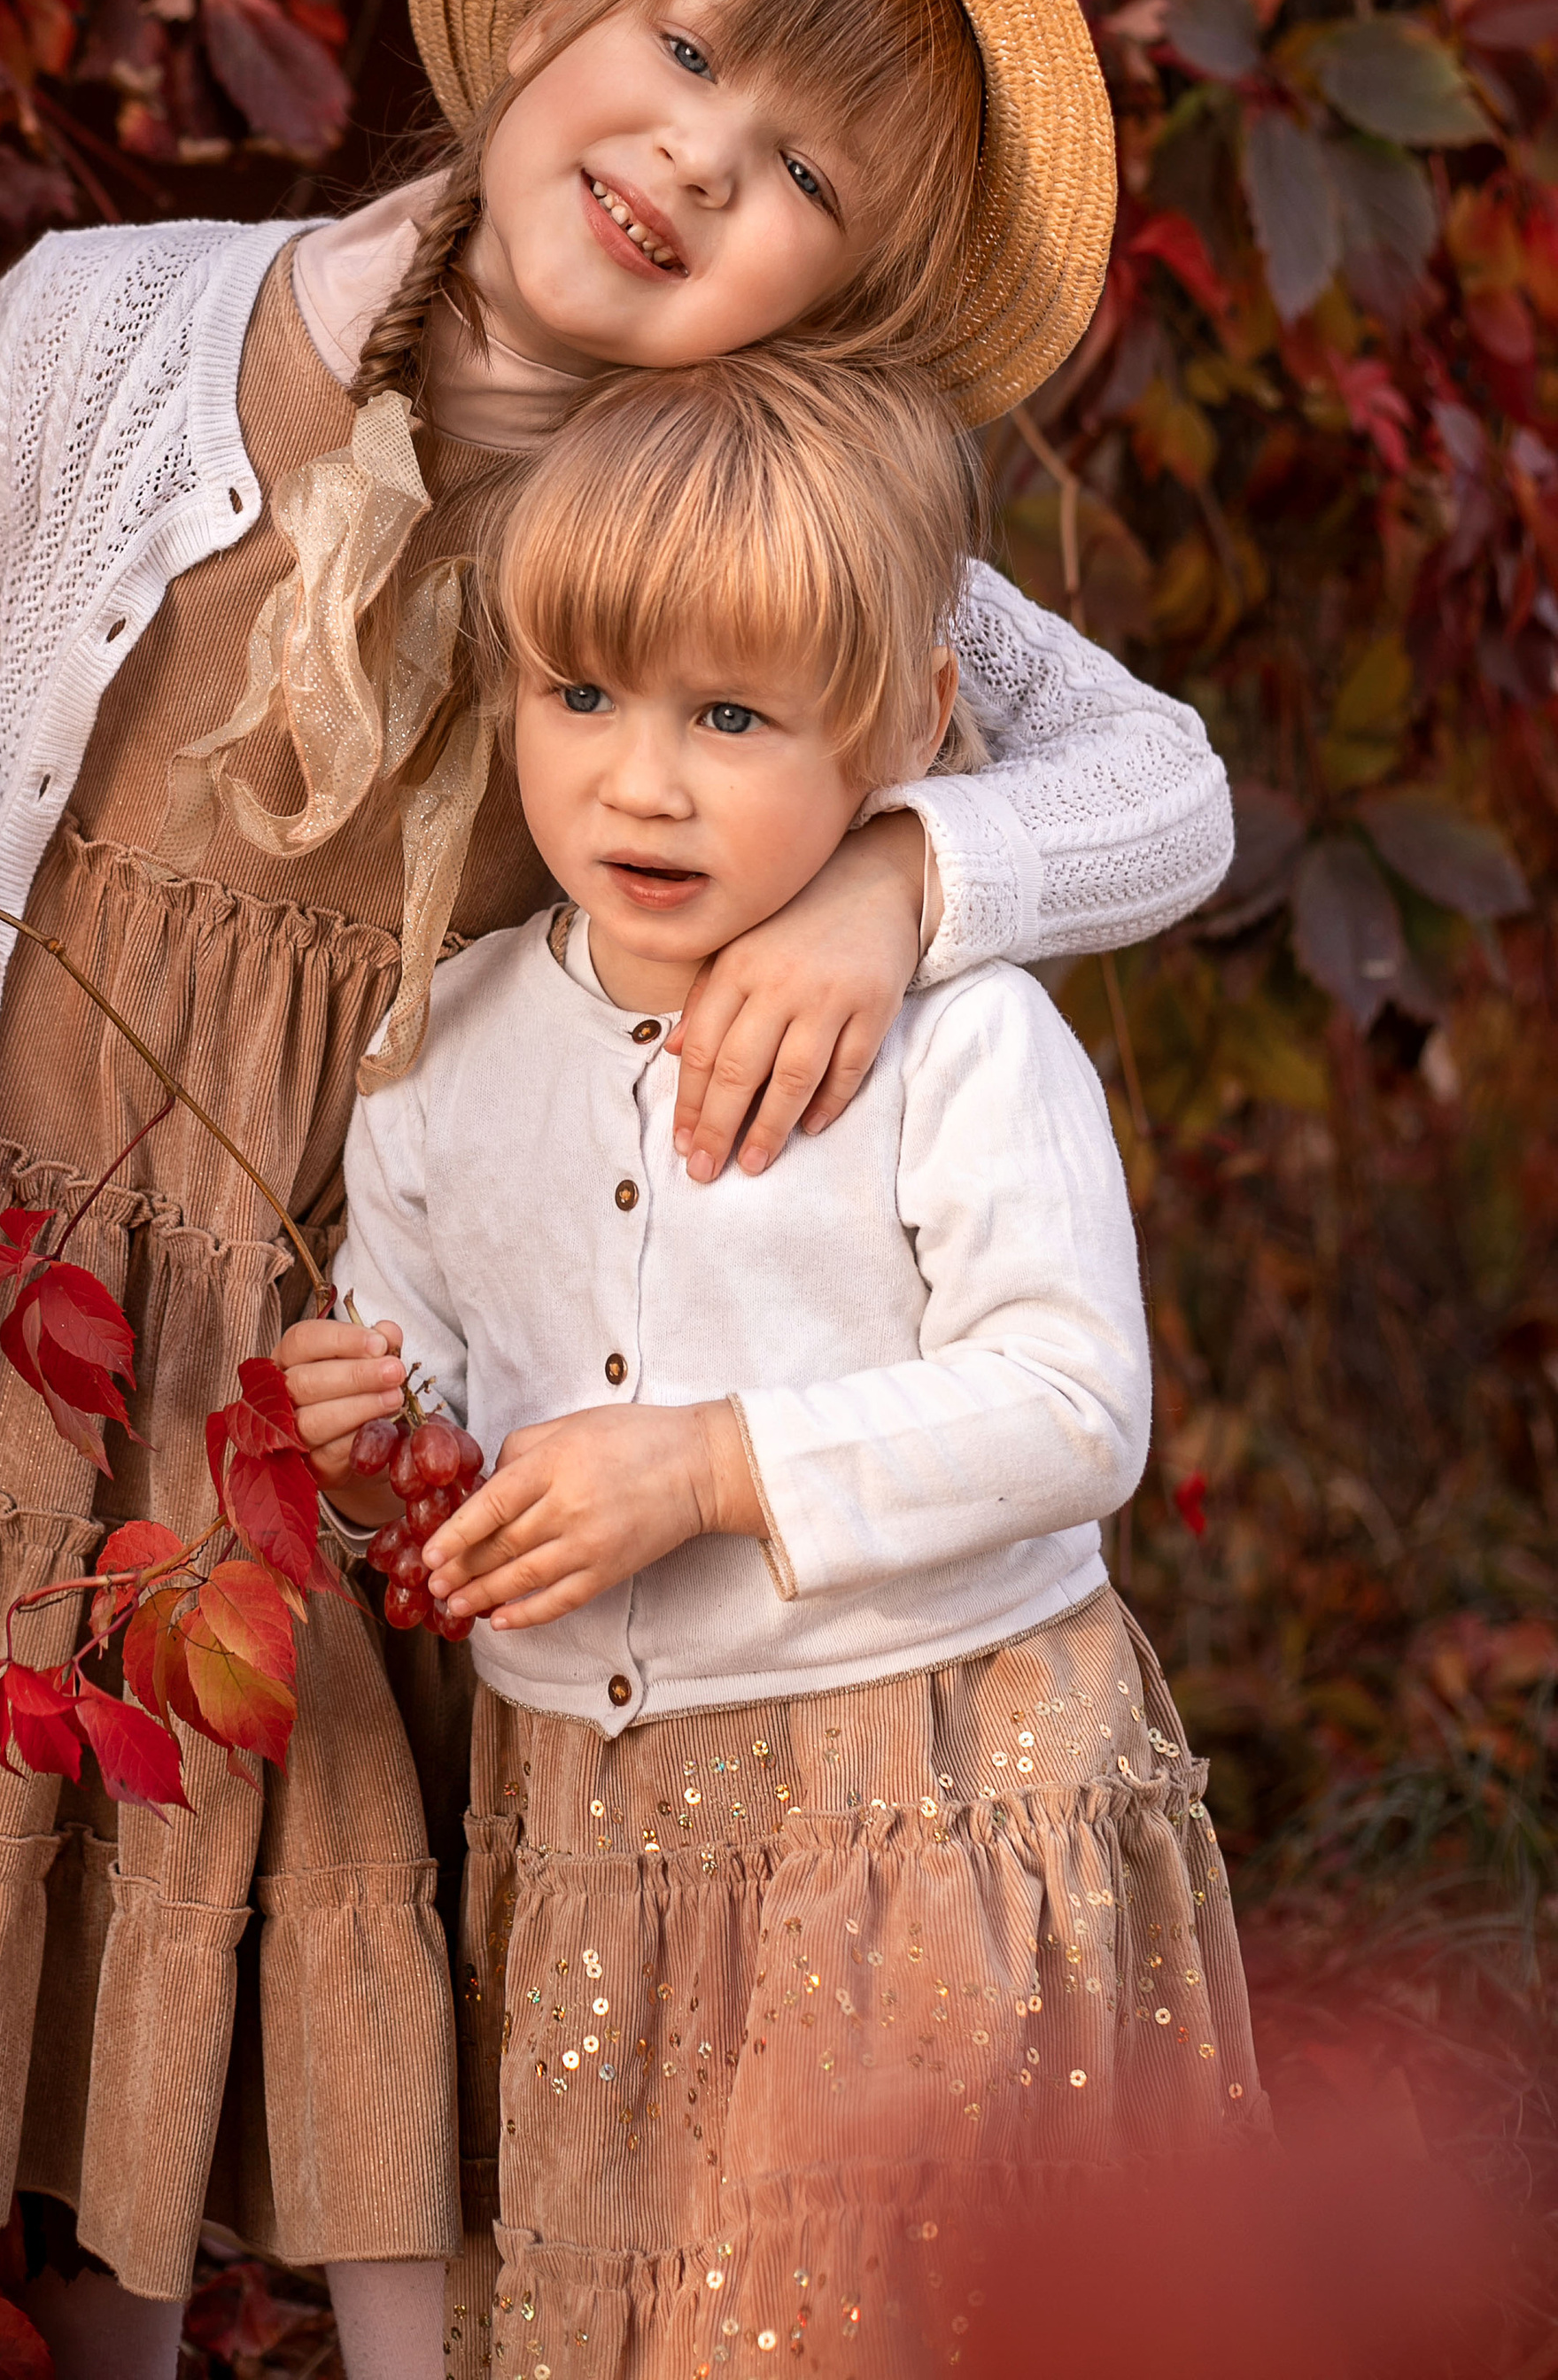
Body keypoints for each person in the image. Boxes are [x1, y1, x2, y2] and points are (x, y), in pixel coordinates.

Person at [0, 0, 1235, 2380]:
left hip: (386, 1342)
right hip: (42, 1263)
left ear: (824, 308)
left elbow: (1156, 778)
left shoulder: (735, 508)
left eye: (802, 175)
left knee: (322, 1874)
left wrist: (897, 878)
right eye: (687, 51)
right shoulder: (119, 323)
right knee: (41, 1851)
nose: (699, 158)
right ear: (551, 13)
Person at [282, 351, 1260, 2380]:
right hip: (596, 1827)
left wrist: (710, 1465)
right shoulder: (442, 1056)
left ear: (902, 725)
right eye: (580, 696)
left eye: (727, 717)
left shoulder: (960, 1040)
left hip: (917, 1792)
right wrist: (379, 1452)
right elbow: (444, 1418)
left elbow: (1072, 1406)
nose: (639, 782)